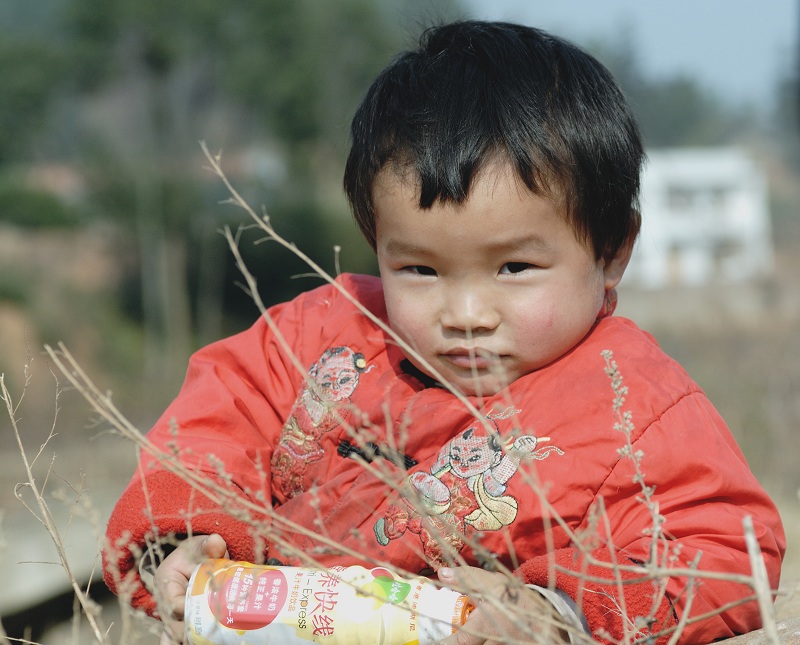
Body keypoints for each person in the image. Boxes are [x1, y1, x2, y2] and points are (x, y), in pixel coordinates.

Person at [103, 20, 785, 645]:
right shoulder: (325, 333)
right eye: (420, 268)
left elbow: (725, 551)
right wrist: (183, 539)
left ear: (611, 251)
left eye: (514, 267)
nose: (464, 311)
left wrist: (557, 611)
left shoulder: (634, 405)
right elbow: (212, 424)